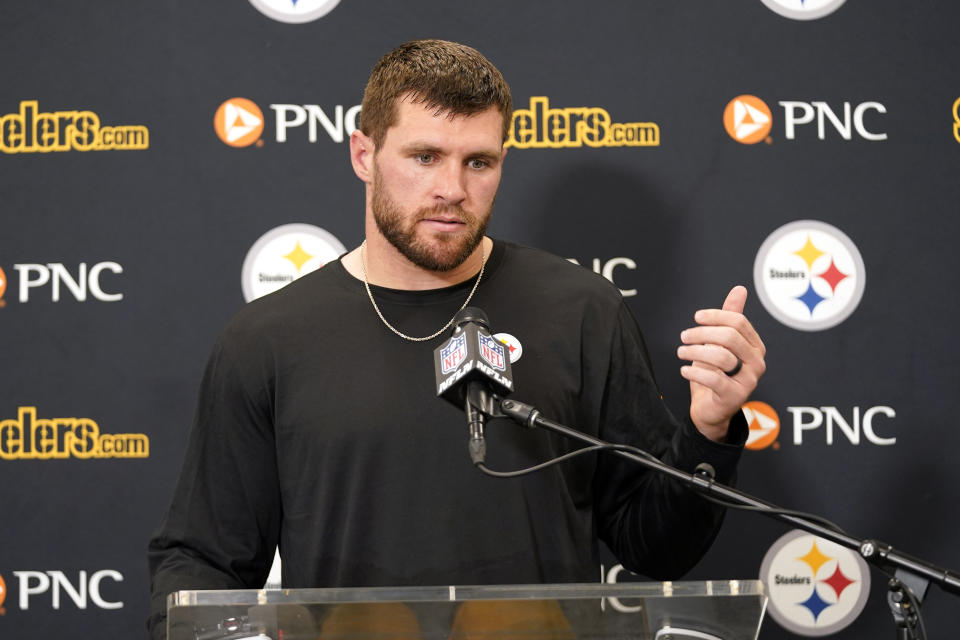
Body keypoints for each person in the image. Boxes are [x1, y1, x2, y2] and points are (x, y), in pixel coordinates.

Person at [147, 39, 766, 639]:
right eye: (424, 157)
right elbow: (203, 561)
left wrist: (708, 432)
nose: (453, 189)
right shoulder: (268, 339)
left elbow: (656, 547)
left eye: (479, 162)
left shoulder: (582, 308)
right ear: (363, 154)